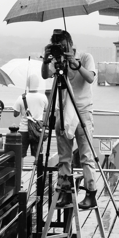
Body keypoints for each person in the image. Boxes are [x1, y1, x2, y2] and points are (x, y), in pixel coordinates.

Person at [41, 29, 98, 209]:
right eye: (57, 46)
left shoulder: (85, 57)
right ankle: (65, 191)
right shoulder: (58, 61)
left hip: (83, 112)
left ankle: (90, 193)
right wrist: (46, 59)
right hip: (64, 112)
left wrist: (76, 65)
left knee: (86, 156)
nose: (61, 49)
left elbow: (90, 78)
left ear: (70, 43)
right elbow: (45, 75)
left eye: (63, 45)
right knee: (64, 156)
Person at [12, 75, 48, 159]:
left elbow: (15, 114)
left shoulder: (21, 97)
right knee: (37, 155)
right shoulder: (43, 97)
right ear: (38, 85)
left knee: (20, 155)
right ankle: (38, 171)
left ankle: (19, 171)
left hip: (24, 130)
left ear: (27, 85)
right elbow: (47, 110)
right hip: (37, 130)